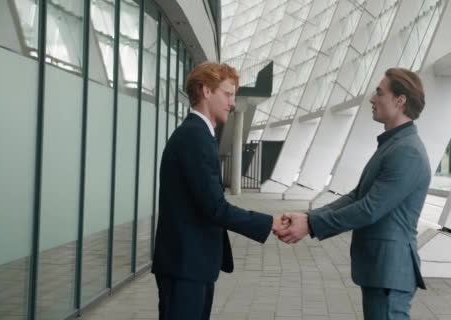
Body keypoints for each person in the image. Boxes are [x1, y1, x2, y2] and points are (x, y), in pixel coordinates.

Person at [276, 68, 431, 320]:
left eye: (379, 93)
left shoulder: (407, 151)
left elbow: (369, 208)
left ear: (400, 100)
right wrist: (309, 217)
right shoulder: (393, 145)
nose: (372, 99)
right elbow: (356, 196)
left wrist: (311, 225)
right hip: (381, 271)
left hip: (389, 271)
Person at [152, 62, 288, 320]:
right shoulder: (195, 137)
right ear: (205, 91)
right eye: (227, 94)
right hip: (186, 266)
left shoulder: (198, 135)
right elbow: (215, 207)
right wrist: (269, 222)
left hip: (190, 264)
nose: (232, 103)